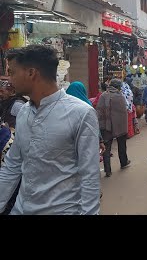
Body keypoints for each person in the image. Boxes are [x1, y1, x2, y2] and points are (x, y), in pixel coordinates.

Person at [0, 45, 100, 214]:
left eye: (12, 73)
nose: (9, 80)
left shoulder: (81, 114)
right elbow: (12, 166)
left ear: (31, 73)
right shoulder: (24, 112)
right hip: (21, 209)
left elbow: (89, 176)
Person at [0, 76, 28, 215]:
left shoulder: (17, 105)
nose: (1, 93)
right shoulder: (5, 103)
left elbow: (25, 124)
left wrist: (10, 130)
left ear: (11, 91)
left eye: (3, 91)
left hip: (12, 146)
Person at [97, 78, 130, 177]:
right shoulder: (120, 96)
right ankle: (123, 163)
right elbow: (125, 111)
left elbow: (99, 111)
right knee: (122, 144)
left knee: (106, 148)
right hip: (120, 126)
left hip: (106, 126)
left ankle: (108, 170)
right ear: (118, 87)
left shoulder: (103, 96)